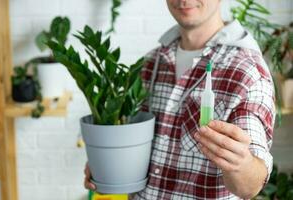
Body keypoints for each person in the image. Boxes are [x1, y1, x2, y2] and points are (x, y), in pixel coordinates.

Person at [84, 0, 275, 199]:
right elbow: (135, 147)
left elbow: (249, 187)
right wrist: (108, 167)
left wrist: (241, 164)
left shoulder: (247, 72)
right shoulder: (151, 63)